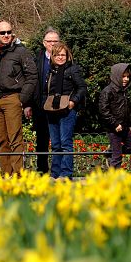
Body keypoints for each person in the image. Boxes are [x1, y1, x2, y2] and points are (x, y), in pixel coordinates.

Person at [0, 20, 37, 175]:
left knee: (15, 139)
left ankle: (18, 176)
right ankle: (6, 174)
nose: (6, 35)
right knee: (0, 139)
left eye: (9, 32)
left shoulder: (21, 51)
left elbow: (32, 76)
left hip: (12, 98)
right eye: (2, 33)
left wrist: (22, 99)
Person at [43, 42, 86, 180]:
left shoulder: (73, 69)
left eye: (63, 55)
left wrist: (73, 102)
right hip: (52, 110)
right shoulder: (51, 71)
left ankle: (66, 174)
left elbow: (82, 87)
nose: (60, 57)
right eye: (57, 55)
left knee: (65, 142)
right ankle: (55, 173)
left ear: (68, 56)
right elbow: (46, 91)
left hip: (67, 110)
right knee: (55, 144)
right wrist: (45, 103)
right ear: (53, 56)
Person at [32, 28, 60, 174]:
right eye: (49, 41)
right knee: (41, 140)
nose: (52, 44)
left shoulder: (65, 58)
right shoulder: (36, 58)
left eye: (55, 41)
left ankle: (57, 171)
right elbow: (31, 82)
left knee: (58, 140)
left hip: (58, 104)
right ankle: (42, 170)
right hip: (40, 104)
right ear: (44, 43)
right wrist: (28, 104)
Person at [99, 63, 131, 169]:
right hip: (113, 129)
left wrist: (130, 126)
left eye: (128, 76)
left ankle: (110, 152)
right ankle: (114, 176)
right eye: (123, 76)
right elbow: (104, 111)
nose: (126, 79)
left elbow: (126, 110)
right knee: (117, 157)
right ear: (116, 76)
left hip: (125, 127)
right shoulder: (107, 91)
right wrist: (115, 124)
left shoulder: (123, 91)